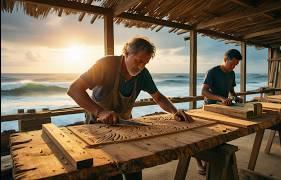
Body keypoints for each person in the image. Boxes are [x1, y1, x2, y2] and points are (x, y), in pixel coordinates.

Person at [67, 37, 193, 180]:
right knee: (111, 172)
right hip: (98, 125)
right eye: (138, 61)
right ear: (126, 53)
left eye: (144, 63)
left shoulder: (143, 74)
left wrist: (175, 111)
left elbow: (158, 97)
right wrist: (100, 112)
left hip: (126, 125)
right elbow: (74, 89)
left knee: (134, 168)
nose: (140, 67)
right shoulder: (106, 65)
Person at [196, 49, 243, 175]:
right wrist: (221, 98)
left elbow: (231, 90)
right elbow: (204, 92)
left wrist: (235, 97)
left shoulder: (232, 74)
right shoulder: (212, 72)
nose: (233, 67)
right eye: (232, 63)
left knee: (218, 137)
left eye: (236, 65)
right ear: (225, 59)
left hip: (223, 109)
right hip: (209, 108)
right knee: (202, 138)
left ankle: (209, 162)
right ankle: (199, 164)